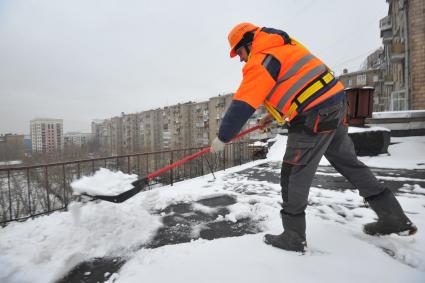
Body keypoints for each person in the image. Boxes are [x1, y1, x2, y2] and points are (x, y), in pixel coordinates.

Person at [210, 22, 417, 252]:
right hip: (336, 104)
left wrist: (223, 137)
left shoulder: (261, 58)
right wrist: (272, 115)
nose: (240, 59)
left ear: (248, 43)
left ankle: (293, 236)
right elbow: (298, 85)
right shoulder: (283, 46)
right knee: (350, 164)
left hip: (314, 116)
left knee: (294, 173)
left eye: (238, 52)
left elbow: (243, 103)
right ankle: (393, 217)